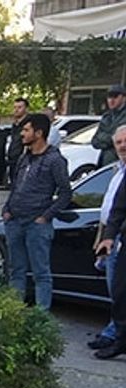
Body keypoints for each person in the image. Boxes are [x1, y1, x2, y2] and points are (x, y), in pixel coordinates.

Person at [1, 112, 72, 310]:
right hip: (15, 221)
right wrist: (7, 209)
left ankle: (41, 319)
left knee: (41, 273)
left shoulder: (55, 160)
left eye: (26, 130)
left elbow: (66, 193)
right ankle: (13, 313)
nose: (22, 134)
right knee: (16, 270)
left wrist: (45, 217)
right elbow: (15, 186)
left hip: (36, 225)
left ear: (39, 133)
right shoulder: (25, 158)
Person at [88, 125, 126, 351]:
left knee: (120, 291)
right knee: (118, 291)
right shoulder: (117, 171)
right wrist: (106, 237)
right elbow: (115, 208)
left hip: (121, 239)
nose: (122, 146)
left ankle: (115, 336)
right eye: (118, 142)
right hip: (112, 238)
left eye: (125, 141)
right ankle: (116, 335)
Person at [92, 84, 126, 168]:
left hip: (120, 163)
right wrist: (111, 138)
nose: (111, 100)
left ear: (124, 98)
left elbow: (119, 139)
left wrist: (105, 138)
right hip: (105, 165)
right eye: (109, 97)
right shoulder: (106, 117)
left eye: (115, 97)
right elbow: (95, 141)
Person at [6, 97, 30, 183]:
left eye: (19, 107)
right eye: (15, 107)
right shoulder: (15, 125)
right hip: (13, 160)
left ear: (26, 108)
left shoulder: (29, 123)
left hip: (23, 160)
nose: (16, 110)